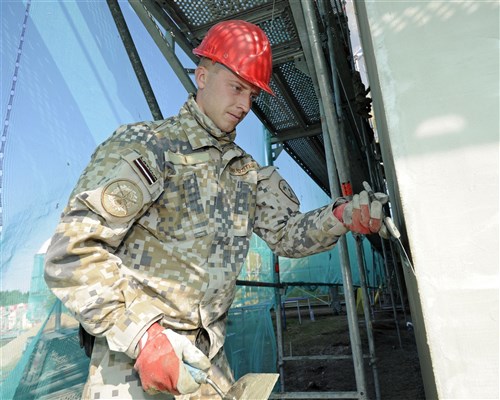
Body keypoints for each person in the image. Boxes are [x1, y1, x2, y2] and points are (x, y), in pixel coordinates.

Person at [44, 20, 387, 400]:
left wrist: (340, 217)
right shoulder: (149, 147)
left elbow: (288, 235)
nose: (244, 105)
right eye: (236, 87)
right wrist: (145, 337)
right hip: (136, 361)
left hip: (207, 362)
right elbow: (72, 252)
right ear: (202, 77)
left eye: (253, 94)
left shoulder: (247, 173)